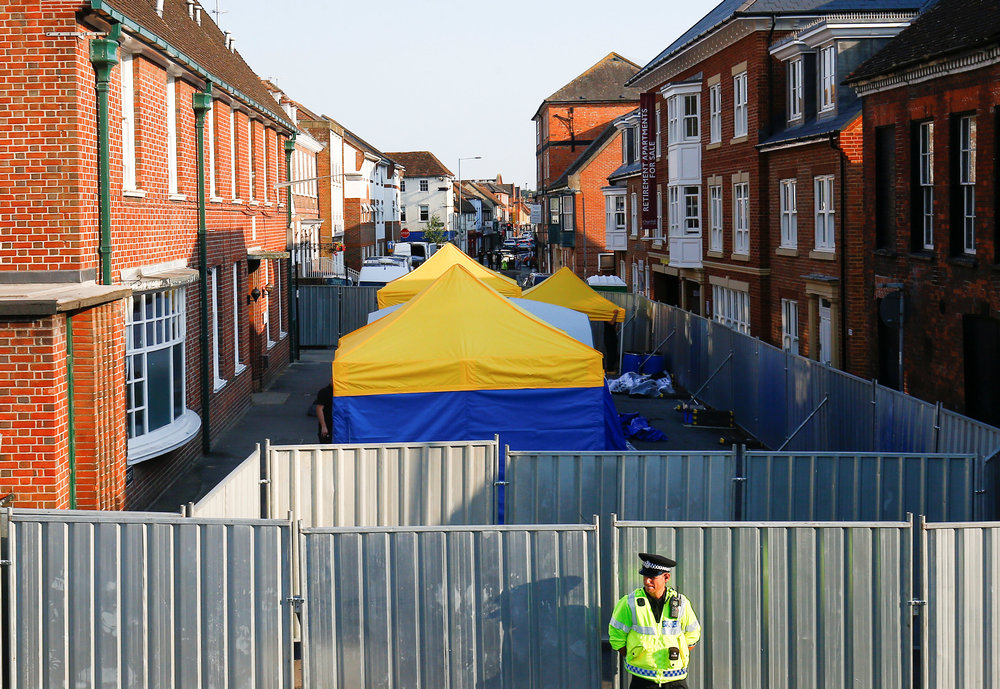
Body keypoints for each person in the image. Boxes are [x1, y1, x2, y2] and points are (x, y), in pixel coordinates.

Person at [609, 553, 701, 688]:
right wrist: (637, 657)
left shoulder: (681, 603)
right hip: (643, 680)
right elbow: (617, 637)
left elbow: (692, 635)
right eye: (645, 576)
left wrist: (680, 652)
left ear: (666, 577)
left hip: (675, 680)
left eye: (652, 577)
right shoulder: (629, 602)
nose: (647, 581)